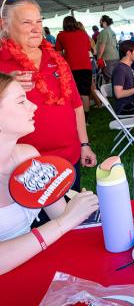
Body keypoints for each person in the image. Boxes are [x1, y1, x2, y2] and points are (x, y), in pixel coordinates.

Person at [0, 72, 99, 275]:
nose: (33, 106)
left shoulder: (28, 156)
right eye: (21, 102)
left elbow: (62, 214)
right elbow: (63, 221)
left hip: (37, 268)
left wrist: (80, 206)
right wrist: (63, 223)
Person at [0, 0, 96, 193]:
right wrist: (5, 84)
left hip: (69, 159)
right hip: (22, 167)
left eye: (38, 21)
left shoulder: (57, 60)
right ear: (4, 25)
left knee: (71, 217)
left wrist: (84, 144)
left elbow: (76, 106)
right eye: (26, 22)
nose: (36, 29)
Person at [55, 16, 94, 124]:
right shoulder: (83, 34)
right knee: (85, 93)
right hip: (86, 67)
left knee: (72, 92)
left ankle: (74, 117)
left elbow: (58, 53)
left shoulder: (61, 35)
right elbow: (87, 49)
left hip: (71, 67)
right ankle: (85, 119)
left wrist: (66, 54)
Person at [111, 40, 134, 115]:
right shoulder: (120, 69)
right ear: (129, 53)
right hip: (125, 107)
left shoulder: (126, 67)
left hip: (132, 103)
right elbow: (118, 94)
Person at [96, 15, 119, 83]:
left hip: (107, 59)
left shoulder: (104, 32)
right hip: (115, 57)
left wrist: (99, 58)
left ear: (104, 22)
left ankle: (111, 93)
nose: (99, 22)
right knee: (115, 77)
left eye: (100, 20)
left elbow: (102, 46)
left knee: (109, 79)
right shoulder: (112, 31)